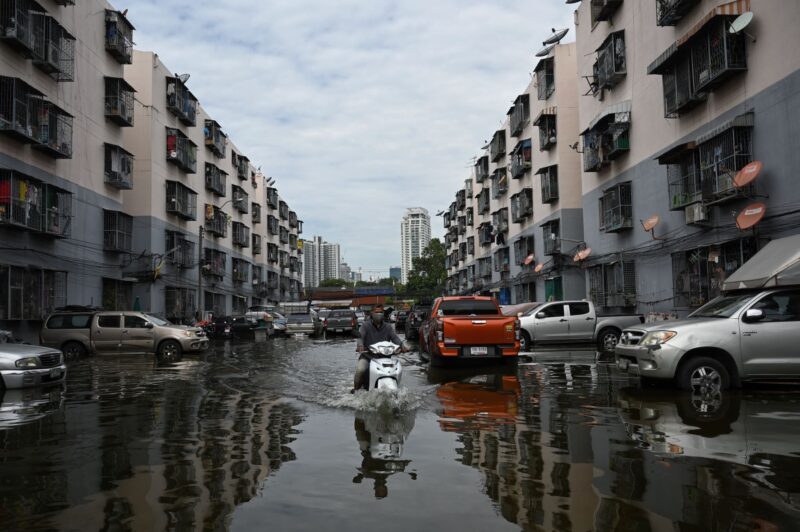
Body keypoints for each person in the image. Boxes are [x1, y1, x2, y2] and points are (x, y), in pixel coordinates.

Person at [353, 304, 408, 392]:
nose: (379, 314)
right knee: (360, 370)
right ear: (372, 313)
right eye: (377, 312)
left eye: (381, 312)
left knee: (397, 370)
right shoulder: (365, 326)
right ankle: (355, 390)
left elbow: (395, 338)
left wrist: (402, 346)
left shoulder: (388, 327)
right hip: (368, 357)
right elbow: (360, 337)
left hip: (385, 358)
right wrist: (360, 346)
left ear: (383, 313)